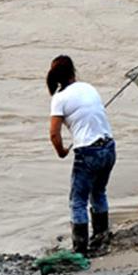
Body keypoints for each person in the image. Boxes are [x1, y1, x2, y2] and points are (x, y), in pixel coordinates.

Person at [47, 55, 116, 256]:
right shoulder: (88, 87)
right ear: (73, 71)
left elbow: (54, 134)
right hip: (109, 147)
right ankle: (101, 235)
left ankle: (80, 248)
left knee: (78, 201)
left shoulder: (59, 99)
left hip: (88, 152)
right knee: (99, 192)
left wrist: (61, 152)